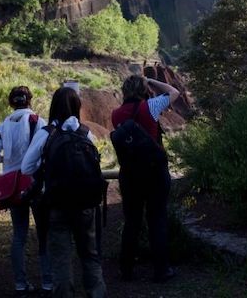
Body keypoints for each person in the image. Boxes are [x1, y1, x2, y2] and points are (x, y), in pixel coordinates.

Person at [21, 87, 107, 298]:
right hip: (86, 204)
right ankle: (97, 294)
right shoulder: (86, 133)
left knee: (61, 259)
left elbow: (26, 168)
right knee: (90, 255)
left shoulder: (47, 133)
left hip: (57, 204)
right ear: (77, 107)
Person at [111, 74, 180, 283]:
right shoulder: (150, 106)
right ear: (143, 90)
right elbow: (174, 92)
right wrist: (151, 81)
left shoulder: (116, 114)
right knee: (157, 219)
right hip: (154, 172)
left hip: (130, 174)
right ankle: (161, 270)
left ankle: (127, 269)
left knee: (132, 222)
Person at [0, 86, 53, 296]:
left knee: (19, 235)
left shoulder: (5, 124)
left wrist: (7, 161)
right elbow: (46, 150)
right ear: (29, 100)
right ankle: (47, 282)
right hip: (35, 184)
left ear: (10, 102)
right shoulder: (37, 121)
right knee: (44, 234)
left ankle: (20, 283)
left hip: (13, 188)